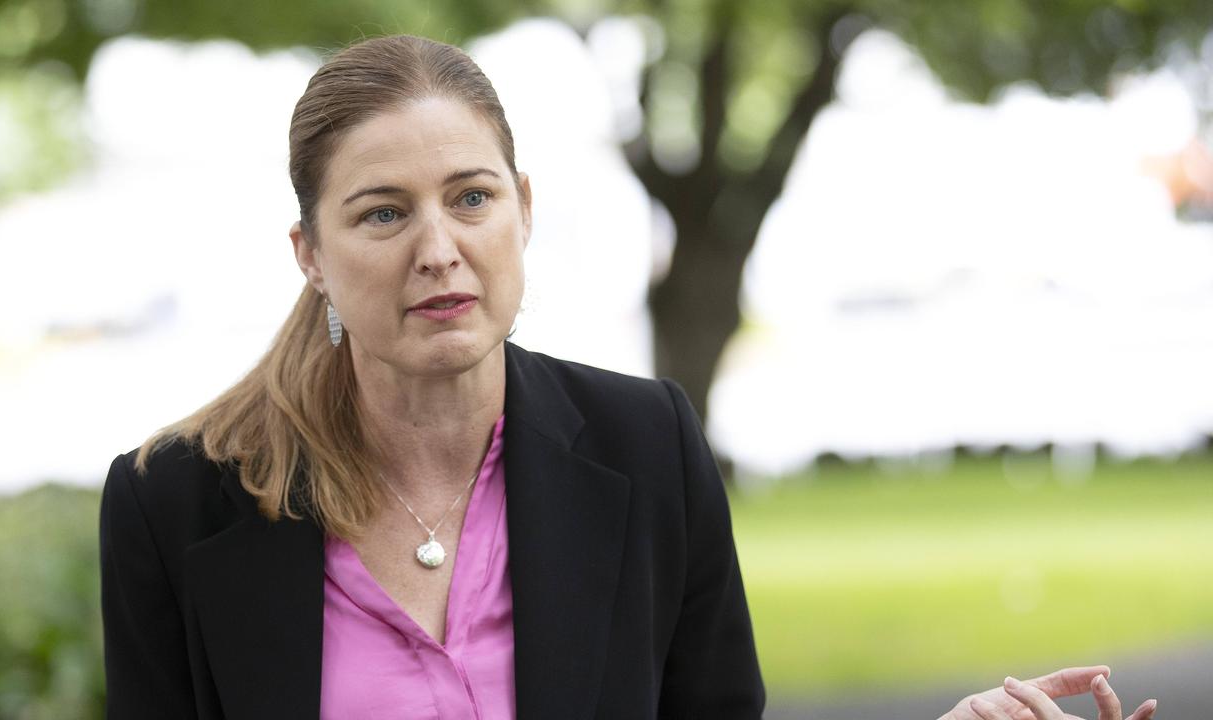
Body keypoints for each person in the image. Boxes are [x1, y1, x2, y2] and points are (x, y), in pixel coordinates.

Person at [98, 34, 1159, 720]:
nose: (438, 247)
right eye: (382, 213)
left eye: (469, 199)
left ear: (522, 207)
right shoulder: (172, 502)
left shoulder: (645, 443)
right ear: (308, 254)